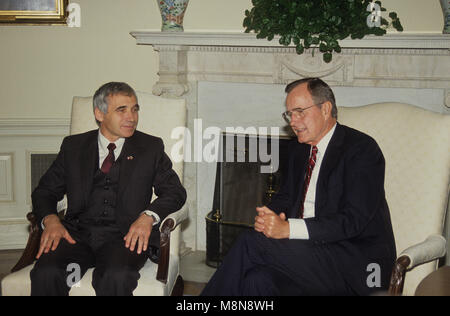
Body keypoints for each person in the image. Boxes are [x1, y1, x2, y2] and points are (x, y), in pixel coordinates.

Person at [201, 78, 396, 296]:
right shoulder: (298, 150)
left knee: (250, 243)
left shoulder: (361, 150)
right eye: (289, 114)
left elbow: (352, 221)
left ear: (325, 109)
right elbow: (286, 196)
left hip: (358, 264)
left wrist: (288, 229)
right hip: (309, 255)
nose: (293, 121)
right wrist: (270, 216)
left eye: (299, 112)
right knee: (257, 280)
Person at [30, 82, 186, 296]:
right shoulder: (73, 147)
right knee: (47, 272)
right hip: (76, 234)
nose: (131, 117)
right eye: (121, 110)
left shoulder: (150, 148)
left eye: (134, 109)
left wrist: (148, 217)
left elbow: (175, 192)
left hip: (125, 237)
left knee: (115, 277)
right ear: (99, 113)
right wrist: (51, 219)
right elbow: (45, 191)